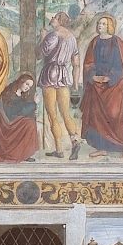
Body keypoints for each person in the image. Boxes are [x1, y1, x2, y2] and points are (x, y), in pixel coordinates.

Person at [80, 15, 123, 154]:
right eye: (99, 23)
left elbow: (121, 65)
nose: (100, 25)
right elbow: (89, 62)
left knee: (113, 114)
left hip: (113, 87)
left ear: (109, 26)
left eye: (103, 23)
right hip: (96, 85)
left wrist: (110, 78)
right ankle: (100, 148)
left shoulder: (117, 42)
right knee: (95, 116)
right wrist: (93, 76)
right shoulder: (95, 41)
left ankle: (115, 145)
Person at [38, 10, 78, 156]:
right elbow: (76, 63)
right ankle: (75, 141)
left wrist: (42, 37)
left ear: (60, 21)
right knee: (66, 114)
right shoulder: (72, 38)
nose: (52, 18)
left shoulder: (52, 35)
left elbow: (39, 55)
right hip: (63, 75)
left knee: (52, 115)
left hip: (50, 73)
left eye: (55, 17)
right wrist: (75, 83)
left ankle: (59, 149)